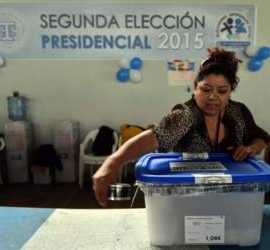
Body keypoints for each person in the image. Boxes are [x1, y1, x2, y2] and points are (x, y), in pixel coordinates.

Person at [93, 47, 270, 206]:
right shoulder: (185, 115)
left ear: (230, 91)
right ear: (195, 88)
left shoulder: (238, 112)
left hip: (234, 194)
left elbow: (260, 136)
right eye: (206, 89)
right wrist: (112, 163)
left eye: (222, 91)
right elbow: (153, 138)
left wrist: (250, 148)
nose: (213, 97)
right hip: (190, 197)